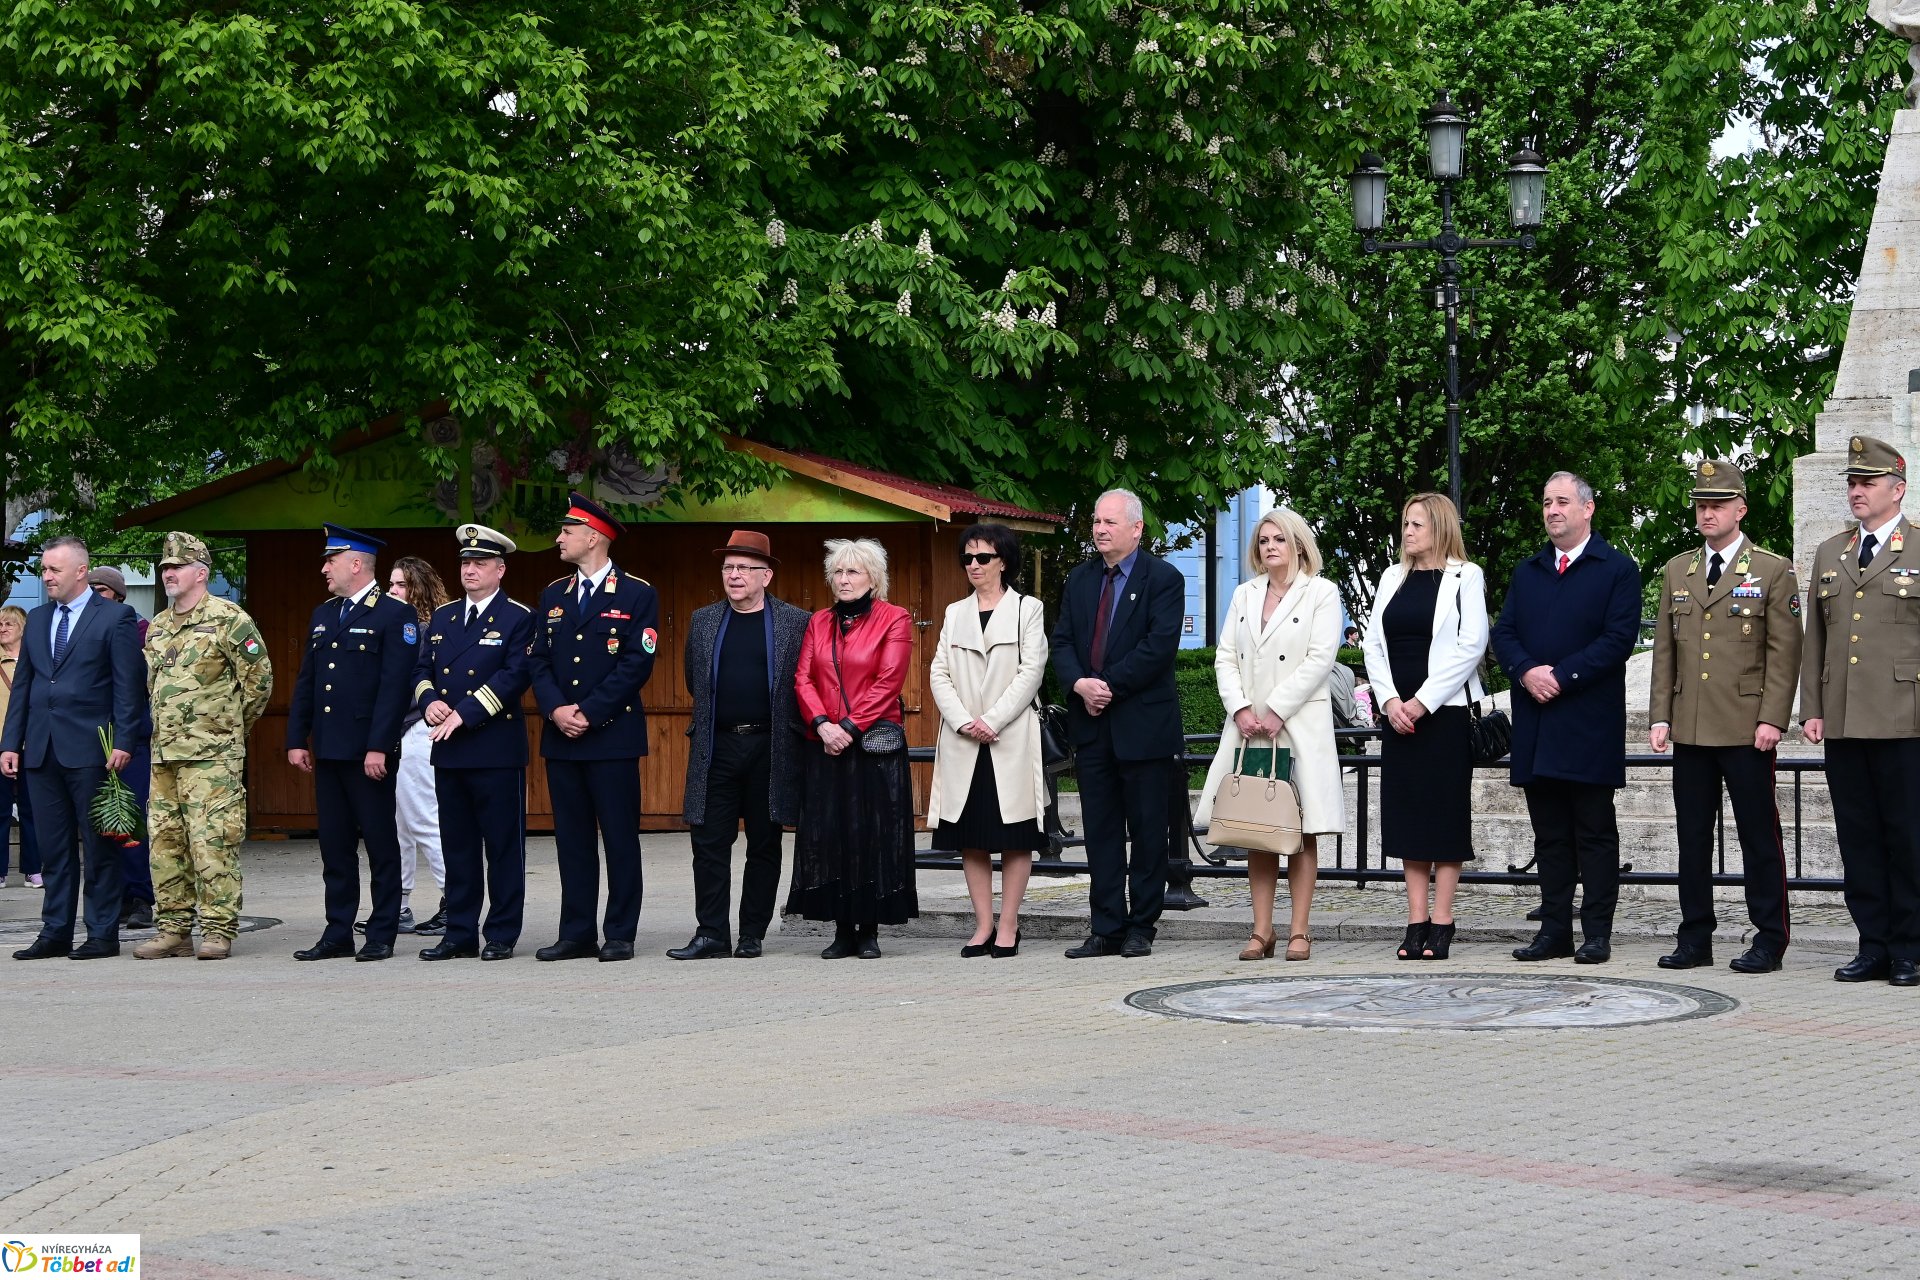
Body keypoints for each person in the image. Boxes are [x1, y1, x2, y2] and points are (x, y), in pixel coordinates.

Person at [1649, 460, 1801, 974]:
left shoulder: (1772, 570)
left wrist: (1772, 719)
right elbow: (1665, 651)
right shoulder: (1679, 569)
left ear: (1741, 508)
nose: (1707, 512)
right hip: (1691, 726)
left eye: (1717, 504)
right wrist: (1660, 715)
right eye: (1701, 504)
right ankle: (1695, 936)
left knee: (1758, 835)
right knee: (1692, 837)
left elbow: (1784, 653)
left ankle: (1770, 938)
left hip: (1745, 726)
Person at [1491, 472, 1642, 964]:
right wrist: (1526, 671)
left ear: (1587, 509)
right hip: (1537, 721)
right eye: (1546, 502)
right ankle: (1554, 929)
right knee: (1550, 834)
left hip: (1588, 723)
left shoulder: (1616, 569)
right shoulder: (1528, 570)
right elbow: (1505, 632)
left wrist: (1563, 675)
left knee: (1594, 833)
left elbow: (1618, 640)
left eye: (1561, 502)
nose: (1552, 510)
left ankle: (1596, 932)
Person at [1194, 508, 1346, 962]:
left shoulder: (1321, 593)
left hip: (1298, 726)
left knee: (1300, 829)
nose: (1270, 547)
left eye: (1279, 539)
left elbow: (1320, 659)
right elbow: (1225, 657)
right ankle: (1262, 930)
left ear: (1298, 544)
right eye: (1263, 541)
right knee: (1256, 829)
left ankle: (1300, 929)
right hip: (1249, 730)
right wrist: (1240, 708)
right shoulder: (1244, 594)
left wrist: (1279, 709)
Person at [1800, 435, 1920, 986]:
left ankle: (1909, 947)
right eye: (1852, 482)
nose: (1856, 491)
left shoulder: (1917, 548)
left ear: (1897, 489)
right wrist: (1814, 708)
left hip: (1903, 718)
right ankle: (1871, 943)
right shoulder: (1832, 552)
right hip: (1846, 718)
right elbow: (1815, 641)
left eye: (1866, 483)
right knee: (1858, 837)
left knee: (1907, 837)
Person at [1050, 489, 1186, 958]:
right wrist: (1080, 685)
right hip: (1091, 728)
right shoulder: (1080, 579)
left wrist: (1105, 684)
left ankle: (1141, 926)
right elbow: (1062, 641)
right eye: (1095, 522)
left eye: (1109, 522)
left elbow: (1159, 646)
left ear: (1136, 528)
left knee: (1149, 832)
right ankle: (1105, 926)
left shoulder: (1163, 579)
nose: (1100, 529)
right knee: (1101, 831)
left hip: (1142, 725)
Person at [0, 536, 147, 960]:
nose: (46, 576)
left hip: (93, 750)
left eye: (54, 570)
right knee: (53, 848)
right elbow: (25, 685)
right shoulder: (40, 618)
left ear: (80, 571)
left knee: (99, 846)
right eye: (44, 569)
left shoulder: (115, 618)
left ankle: (102, 933)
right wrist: (11, 743)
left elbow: (128, 686)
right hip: (41, 750)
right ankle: (55, 932)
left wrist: (124, 741)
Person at [528, 493, 659, 963]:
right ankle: (576, 932)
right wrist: (557, 710)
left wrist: (589, 711)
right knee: (572, 841)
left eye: (567, 531)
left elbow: (636, 663)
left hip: (611, 736)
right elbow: (538, 660)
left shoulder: (637, 593)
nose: (559, 538)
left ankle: (620, 932)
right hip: (561, 738)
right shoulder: (552, 595)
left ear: (594, 537)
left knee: (619, 837)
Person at [133, 533, 273, 961]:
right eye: (164, 569)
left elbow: (259, 682)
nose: (168, 574)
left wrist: (227, 731)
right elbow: (151, 688)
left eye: (176, 567)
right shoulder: (157, 626)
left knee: (212, 842)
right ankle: (173, 929)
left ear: (201, 573)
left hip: (212, 758)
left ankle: (217, 928)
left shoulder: (230, 619)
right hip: (164, 756)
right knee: (165, 843)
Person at [671, 529, 809, 960]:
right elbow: (696, 683)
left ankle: (752, 932)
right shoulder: (704, 619)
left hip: (772, 747)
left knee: (764, 843)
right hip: (717, 746)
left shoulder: (795, 622)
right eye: (728, 568)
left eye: (744, 569)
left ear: (766, 576)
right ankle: (711, 933)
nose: (734, 576)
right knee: (708, 841)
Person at [1362, 493, 1487, 961]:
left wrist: (1422, 702)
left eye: (1416, 524)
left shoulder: (1465, 576)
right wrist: (1391, 701)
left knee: (1444, 816)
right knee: (1409, 816)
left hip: (1445, 713)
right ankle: (1415, 920)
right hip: (1398, 717)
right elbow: (1373, 644)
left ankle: (1443, 918)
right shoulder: (1391, 577)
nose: (1408, 532)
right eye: (1405, 523)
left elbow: (1471, 644)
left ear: (1438, 528)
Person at [284, 524, 417, 962]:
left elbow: (395, 688)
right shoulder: (325, 614)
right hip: (329, 748)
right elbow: (308, 682)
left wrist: (379, 746)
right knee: (335, 847)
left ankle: (381, 932)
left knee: (380, 844)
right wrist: (296, 738)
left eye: (331, 560)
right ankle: (337, 931)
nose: (324, 568)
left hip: (368, 752)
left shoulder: (394, 614)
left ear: (356, 564)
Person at [786, 538, 916, 958]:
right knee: (831, 833)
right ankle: (842, 930)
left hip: (872, 743)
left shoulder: (894, 619)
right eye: (838, 572)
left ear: (873, 578)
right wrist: (823, 725)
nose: (844, 579)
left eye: (853, 572)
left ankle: (870, 930)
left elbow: (889, 680)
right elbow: (803, 678)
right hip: (826, 744)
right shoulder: (818, 622)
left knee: (873, 833)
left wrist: (848, 727)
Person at [414, 524, 535, 962]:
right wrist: (428, 701)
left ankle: (501, 932)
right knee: (458, 846)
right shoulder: (444, 617)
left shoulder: (518, 617)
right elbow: (421, 669)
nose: (470, 569)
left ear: (500, 570)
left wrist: (464, 711)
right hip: (449, 750)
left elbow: (514, 676)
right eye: (465, 562)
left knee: (502, 847)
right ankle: (459, 932)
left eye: (480, 563)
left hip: (495, 747)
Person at [928, 523, 1049, 959]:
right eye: (968, 558)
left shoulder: (1027, 610)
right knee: (970, 837)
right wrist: (963, 722)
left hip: (1009, 738)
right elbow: (938, 672)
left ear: (1003, 560)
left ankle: (1010, 925)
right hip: (965, 742)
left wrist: (992, 719)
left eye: (982, 557)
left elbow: (1030, 672)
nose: (973, 565)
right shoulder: (954, 613)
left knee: (1016, 836)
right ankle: (982, 925)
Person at [370, 555, 451, 936]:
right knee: (400, 823)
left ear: (418, 588)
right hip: (398, 732)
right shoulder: (401, 624)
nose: (392, 591)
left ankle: (455, 901)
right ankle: (398, 905)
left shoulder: (421, 629)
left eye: (400, 585)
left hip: (417, 729)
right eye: (390, 585)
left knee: (423, 820)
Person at [87, 567, 156, 931]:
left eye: (102, 589)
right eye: (91, 589)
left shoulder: (141, 630)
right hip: (88, 739)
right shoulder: (81, 627)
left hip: (130, 739)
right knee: (98, 822)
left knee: (128, 819)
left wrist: (128, 738)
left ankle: (139, 896)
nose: (96, 595)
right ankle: (109, 898)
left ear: (118, 595)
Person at [0, 605, 42, 890]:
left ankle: (32, 869)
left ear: (22, 628)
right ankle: (0, 871)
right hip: (2, 746)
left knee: (32, 810)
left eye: (9, 624)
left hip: (33, 745)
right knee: (0, 811)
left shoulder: (37, 661)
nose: (2, 628)